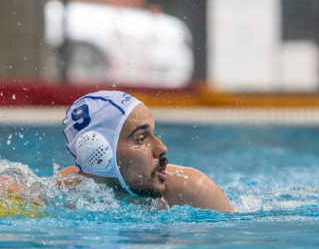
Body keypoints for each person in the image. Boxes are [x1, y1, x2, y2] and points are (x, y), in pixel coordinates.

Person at [59, 90, 234, 212]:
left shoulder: (193, 191)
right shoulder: (61, 195)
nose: (162, 148)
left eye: (153, 133)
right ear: (98, 155)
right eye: (141, 139)